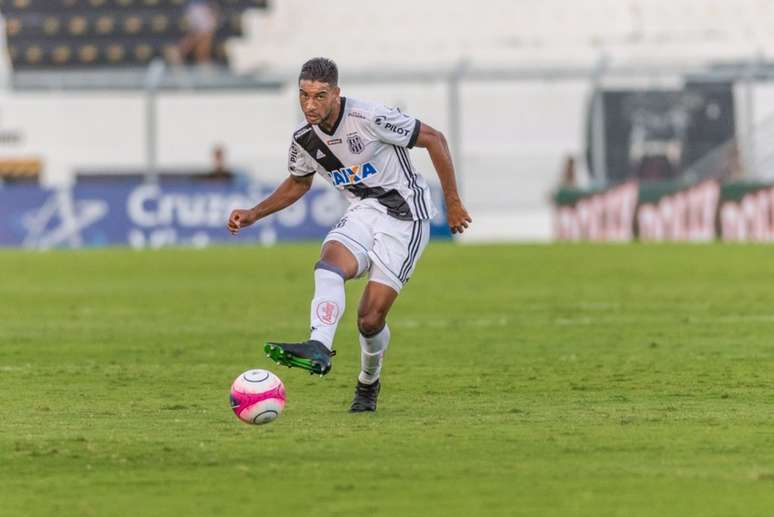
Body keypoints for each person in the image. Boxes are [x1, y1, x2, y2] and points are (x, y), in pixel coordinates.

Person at [226, 58, 471, 413]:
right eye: (304, 95)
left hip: (405, 217)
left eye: (320, 96)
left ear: (336, 94)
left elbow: (434, 138)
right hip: (363, 211)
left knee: (369, 319)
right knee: (328, 265)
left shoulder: (370, 118)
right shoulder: (305, 139)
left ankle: (368, 383)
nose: (310, 105)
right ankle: (318, 344)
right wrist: (253, 213)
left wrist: (453, 202)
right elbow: (299, 182)